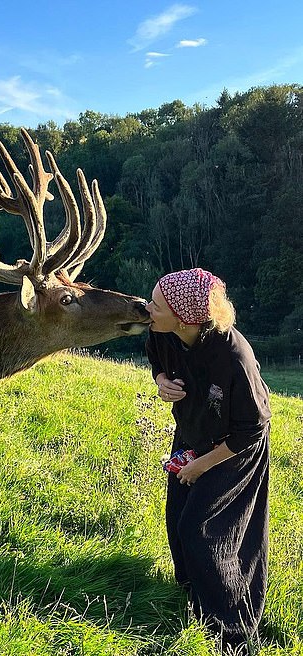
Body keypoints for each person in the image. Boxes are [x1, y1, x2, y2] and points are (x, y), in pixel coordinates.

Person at [144, 268, 271, 655]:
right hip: (192, 435)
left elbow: (251, 429)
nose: (147, 308)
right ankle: (195, 598)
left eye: (156, 305)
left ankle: (233, 630)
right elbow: (157, 361)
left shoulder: (235, 358)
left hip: (234, 449)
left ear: (184, 319)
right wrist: (161, 380)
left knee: (206, 531)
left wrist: (202, 465)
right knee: (179, 520)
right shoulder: (161, 331)